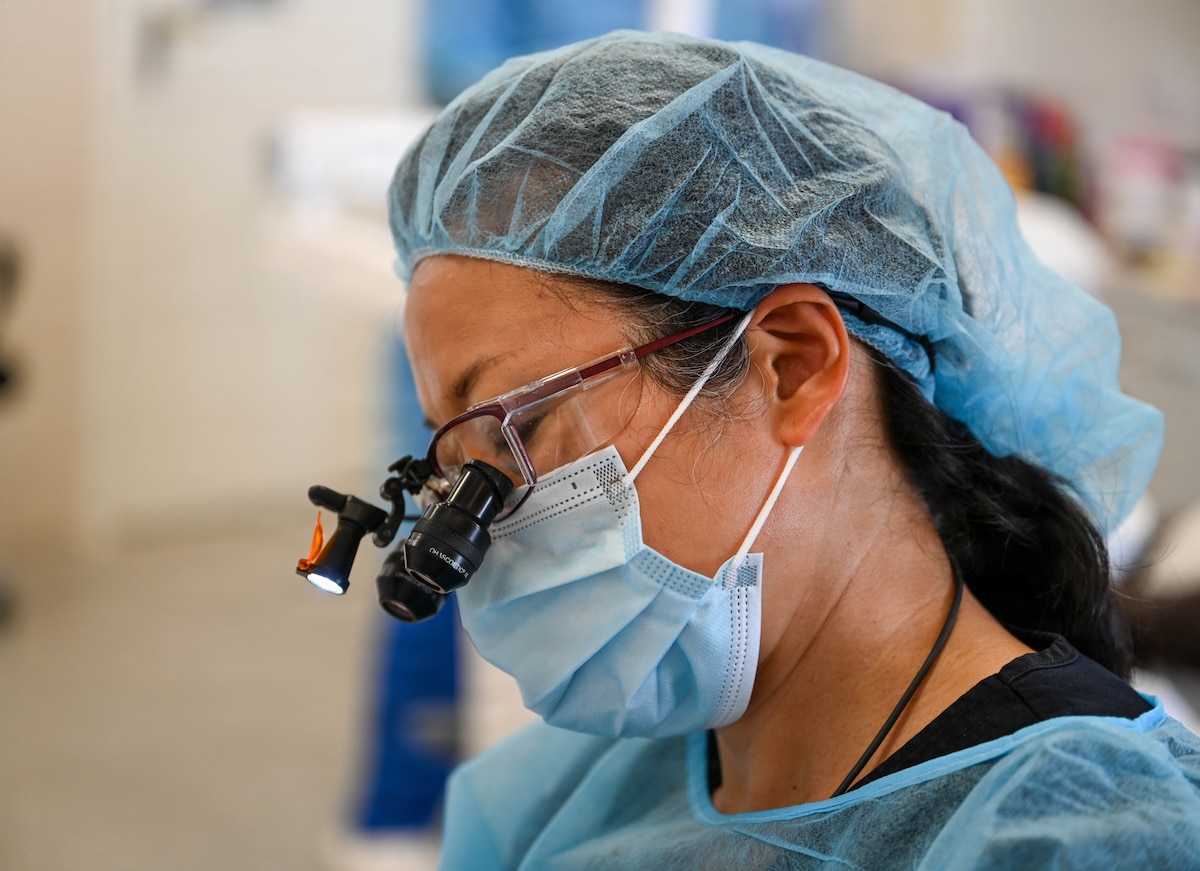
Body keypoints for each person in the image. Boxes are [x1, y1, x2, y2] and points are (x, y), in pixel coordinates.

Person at [385, 30, 1200, 868]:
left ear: (793, 365)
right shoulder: (557, 797)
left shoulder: (1091, 833)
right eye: (455, 468)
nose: (475, 535)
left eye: (516, 429)